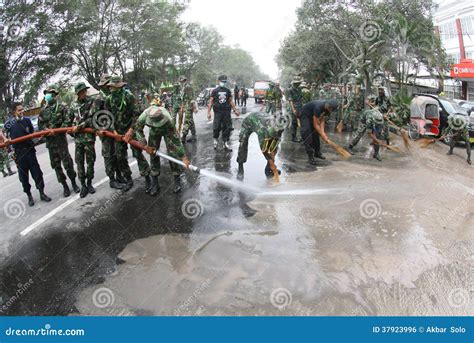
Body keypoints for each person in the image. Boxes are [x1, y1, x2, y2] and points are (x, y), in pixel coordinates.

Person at [134, 104, 191, 194]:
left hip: (167, 130)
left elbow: (176, 141)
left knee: (173, 153)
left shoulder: (169, 121)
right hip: (154, 132)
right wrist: (145, 146)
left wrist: (184, 157)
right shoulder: (143, 116)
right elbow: (137, 129)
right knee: (153, 154)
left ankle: (177, 179)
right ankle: (155, 182)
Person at [4, 102, 51, 206]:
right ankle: (29, 196)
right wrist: (5, 139)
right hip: (19, 154)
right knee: (24, 177)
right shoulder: (9, 123)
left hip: (30, 150)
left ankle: (42, 193)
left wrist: (37, 138)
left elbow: (32, 134)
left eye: (22, 109)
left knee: (37, 173)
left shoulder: (27, 120)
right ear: (14, 112)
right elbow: (1, 131)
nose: (22, 111)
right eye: (19, 110)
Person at [39, 84, 80, 197]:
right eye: (48, 94)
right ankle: (65, 186)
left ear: (55, 96)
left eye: (52, 94)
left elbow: (67, 122)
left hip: (61, 141)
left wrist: (56, 131)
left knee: (67, 163)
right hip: (51, 144)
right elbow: (41, 125)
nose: (50, 96)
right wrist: (46, 130)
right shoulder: (43, 111)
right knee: (56, 166)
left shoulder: (62, 108)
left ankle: (73, 183)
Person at [106, 76, 141, 192]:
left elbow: (136, 114)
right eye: (110, 86)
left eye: (112, 86)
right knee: (120, 157)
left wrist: (131, 130)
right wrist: (114, 131)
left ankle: (148, 177)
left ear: (119, 86)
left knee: (138, 154)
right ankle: (129, 179)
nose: (110, 88)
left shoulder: (128, 96)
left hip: (131, 131)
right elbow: (107, 117)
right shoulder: (109, 99)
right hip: (118, 134)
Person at [92, 74, 125, 190]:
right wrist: (98, 130)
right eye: (107, 84)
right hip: (106, 132)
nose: (109, 86)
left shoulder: (112, 96)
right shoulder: (99, 99)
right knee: (109, 155)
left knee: (116, 154)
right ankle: (112, 180)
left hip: (115, 130)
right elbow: (94, 117)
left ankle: (119, 176)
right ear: (103, 86)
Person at [236, 111, 286, 180]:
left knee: (272, 148)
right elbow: (265, 150)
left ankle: (268, 170)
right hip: (248, 122)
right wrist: (274, 169)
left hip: (262, 119)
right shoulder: (262, 130)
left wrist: (272, 164)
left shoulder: (279, 127)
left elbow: (274, 147)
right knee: (243, 143)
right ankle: (240, 167)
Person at [68, 82, 97, 198]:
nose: (85, 93)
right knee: (79, 163)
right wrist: (69, 130)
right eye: (82, 91)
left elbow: (92, 118)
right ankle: (83, 185)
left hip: (89, 139)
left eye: (85, 91)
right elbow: (68, 120)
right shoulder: (73, 105)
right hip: (78, 140)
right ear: (78, 93)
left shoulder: (91, 102)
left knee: (90, 162)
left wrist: (79, 127)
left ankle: (89, 183)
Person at [300, 100, 339, 166]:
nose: (330, 110)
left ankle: (317, 153)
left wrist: (323, 134)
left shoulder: (327, 110)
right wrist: (323, 136)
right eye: (330, 109)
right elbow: (315, 124)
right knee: (307, 133)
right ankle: (310, 156)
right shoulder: (318, 107)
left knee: (316, 134)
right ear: (329, 106)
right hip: (305, 115)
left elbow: (322, 122)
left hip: (313, 116)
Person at [347, 95, 385, 161]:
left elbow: (380, 128)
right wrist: (377, 140)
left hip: (374, 120)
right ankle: (350, 146)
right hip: (364, 122)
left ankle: (376, 154)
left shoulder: (380, 117)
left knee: (378, 136)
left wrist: (377, 138)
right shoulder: (369, 118)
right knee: (359, 135)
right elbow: (369, 133)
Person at [207, 75, 240, 151]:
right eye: (222, 81)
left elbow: (230, 101)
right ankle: (215, 139)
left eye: (224, 81)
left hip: (226, 112)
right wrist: (208, 112)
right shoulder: (215, 91)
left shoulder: (227, 90)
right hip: (218, 112)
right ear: (218, 81)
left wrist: (235, 110)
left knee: (226, 128)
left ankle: (225, 143)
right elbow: (211, 101)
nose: (223, 83)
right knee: (217, 127)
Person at [177, 76, 197, 144]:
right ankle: (194, 136)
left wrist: (194, 107)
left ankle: (184, 137)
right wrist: (182, 107)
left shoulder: (188, 87)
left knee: (187, 121)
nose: (182, 82)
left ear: (184, 80)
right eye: (181, 81)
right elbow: (183, 99)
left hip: (189, 106)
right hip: (186, 106)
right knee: (191, 121)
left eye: (183, 81)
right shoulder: (183, 88)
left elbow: (192, 98)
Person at [287, 76, 304, 142]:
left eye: (299, 83)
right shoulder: (290, 90)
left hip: (300, 107)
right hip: (294, 108)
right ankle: (293, 137)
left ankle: (302, 137)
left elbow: (301, 98)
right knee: (294, 123)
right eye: (297, 83)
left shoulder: (299, 89)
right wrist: (293, 109)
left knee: (302, 122)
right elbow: (290, 100)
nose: (299, 84)